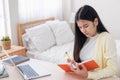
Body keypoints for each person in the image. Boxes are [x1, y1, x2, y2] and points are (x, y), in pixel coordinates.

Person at [68, 5, 117, 80]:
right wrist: (74, 64)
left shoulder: (106, 38)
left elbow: (113, 69)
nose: (83, 31)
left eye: (86, 26)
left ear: (96, 21)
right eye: (80, 27)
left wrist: (89, 74)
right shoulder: (83, 39)